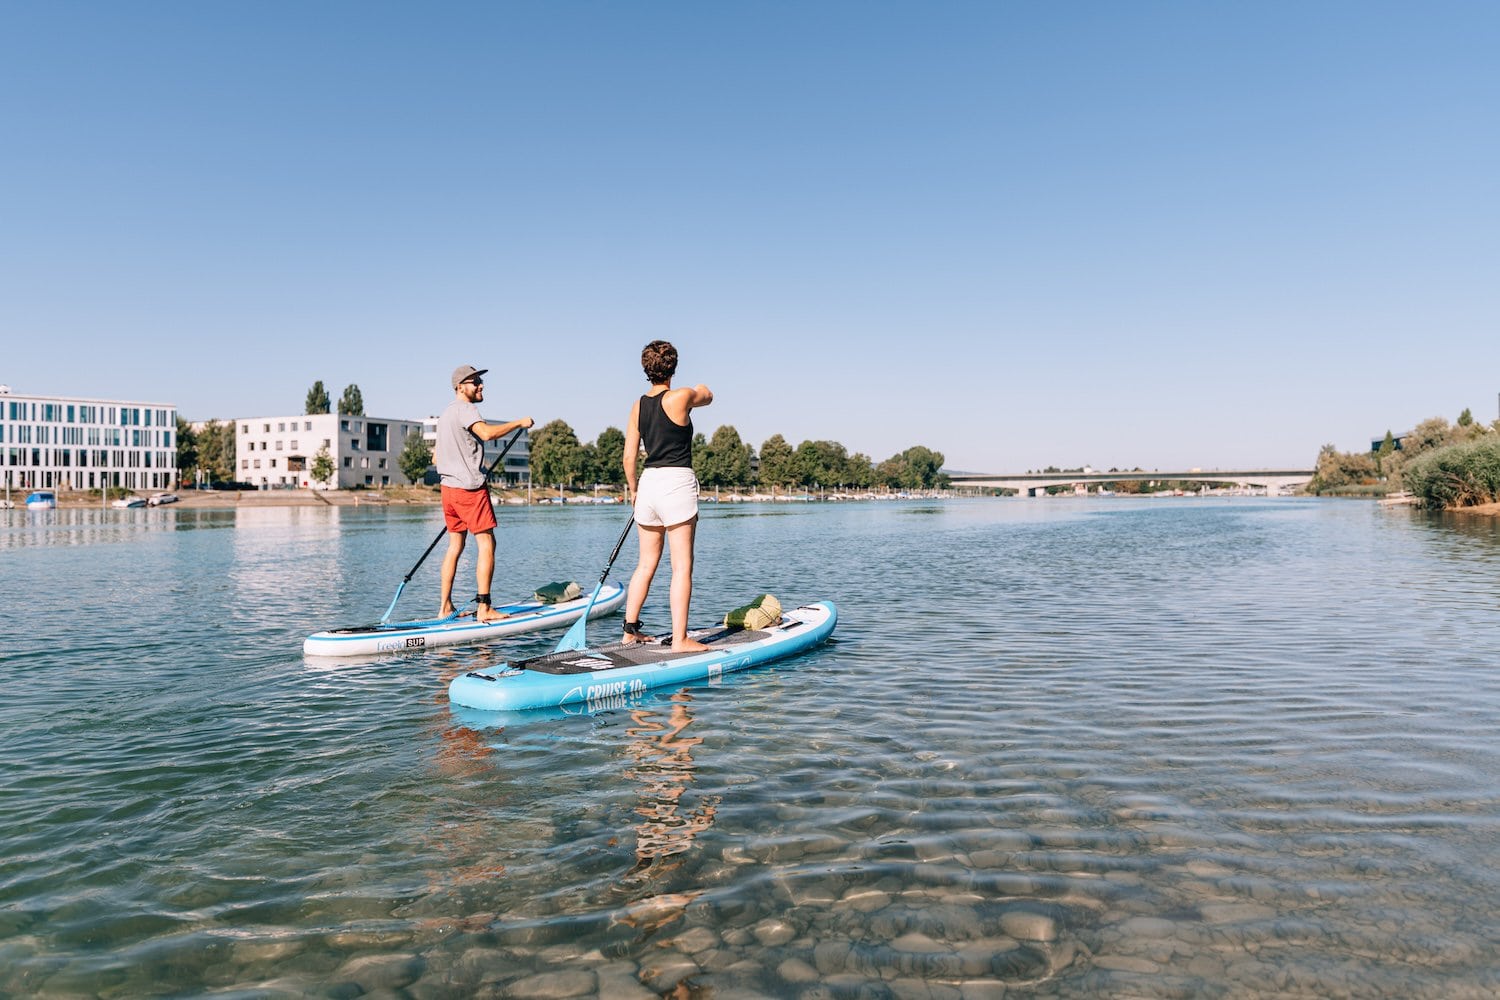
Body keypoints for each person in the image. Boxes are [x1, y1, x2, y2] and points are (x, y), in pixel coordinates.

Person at [622, 340, 713, 651]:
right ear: (673, 367)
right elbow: (708, 395)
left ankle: (629, 630)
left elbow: (628, 457)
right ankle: (680, 639)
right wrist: (698, 387)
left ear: (646, 369)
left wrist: (633, 490)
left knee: (645, 563)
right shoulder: (681, 396)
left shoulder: (638, 405)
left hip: (647, 485)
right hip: (676, 482)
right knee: (682, 566)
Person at [435, 364, 534, 623]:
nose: (480, 385)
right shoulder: (466, 409)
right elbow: (487, 434)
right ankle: (484, 608)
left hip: (448, 490)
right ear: (460, 386)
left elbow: (436, 456)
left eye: (480, 381)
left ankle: (445, 607)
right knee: (487, 543)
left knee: (455, 546)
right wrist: (519, 423)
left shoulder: (445, 414)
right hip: (469, 490)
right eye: (475, 381)